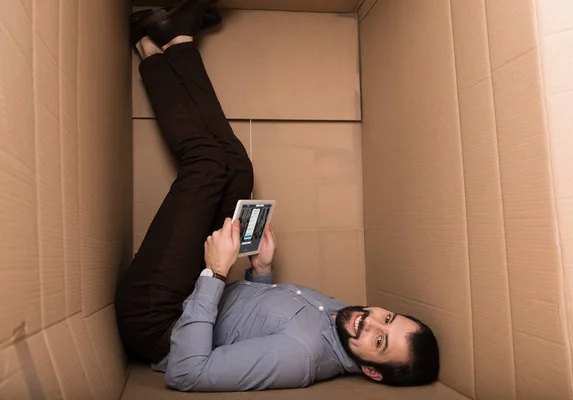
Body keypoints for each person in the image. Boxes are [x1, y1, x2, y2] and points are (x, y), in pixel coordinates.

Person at [115, 0, 440, 392]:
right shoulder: (342, 316)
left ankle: (158, 46)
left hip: (157, 320)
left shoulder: (300, 359)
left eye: (379, 341)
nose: (369, 322)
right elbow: (248, 325)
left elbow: (188, 372)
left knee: (205, 167)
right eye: (387, 319)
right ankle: (166, 44)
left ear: (372, 371)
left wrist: (216, 273)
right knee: (238, 170)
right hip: (192, 291)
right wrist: (261, 275)